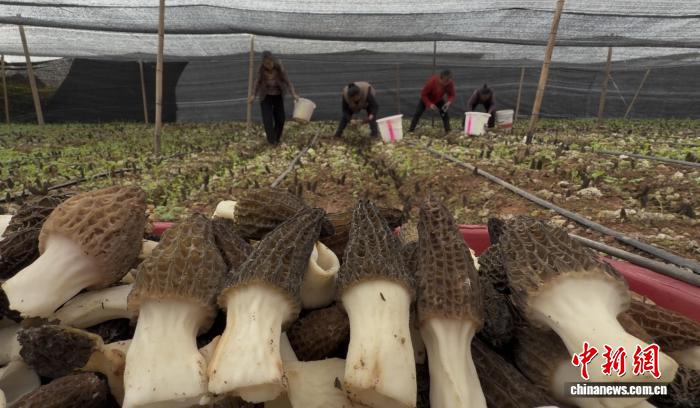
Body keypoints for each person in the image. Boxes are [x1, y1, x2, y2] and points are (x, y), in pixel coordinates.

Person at [249, 51, 299, 145]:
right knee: (267, 120)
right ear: (263, 63)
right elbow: (257, 83)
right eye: (266, 64)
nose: (269, 65)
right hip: (265, 97)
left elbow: (288, 82)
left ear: (273, 61)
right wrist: (253, 95)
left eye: (270, 63)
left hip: (277, 96)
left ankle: (276, 138)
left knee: (280, 119)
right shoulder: (261, 71)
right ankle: (271, 141)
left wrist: (294, 94)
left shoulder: (279, 69)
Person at [408, 70, 456, 134]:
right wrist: (429, 104)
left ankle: (448, 131)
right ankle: (411, 130)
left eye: (449, 80)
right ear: (440, 78)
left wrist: (448, 102)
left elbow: (452, 94)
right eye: (446, 81)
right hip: (427, 98)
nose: (447, 83)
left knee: (444, 113)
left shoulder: (449, 83)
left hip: (439, 99)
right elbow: (423, 94)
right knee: (418, 112)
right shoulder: (432, 82)